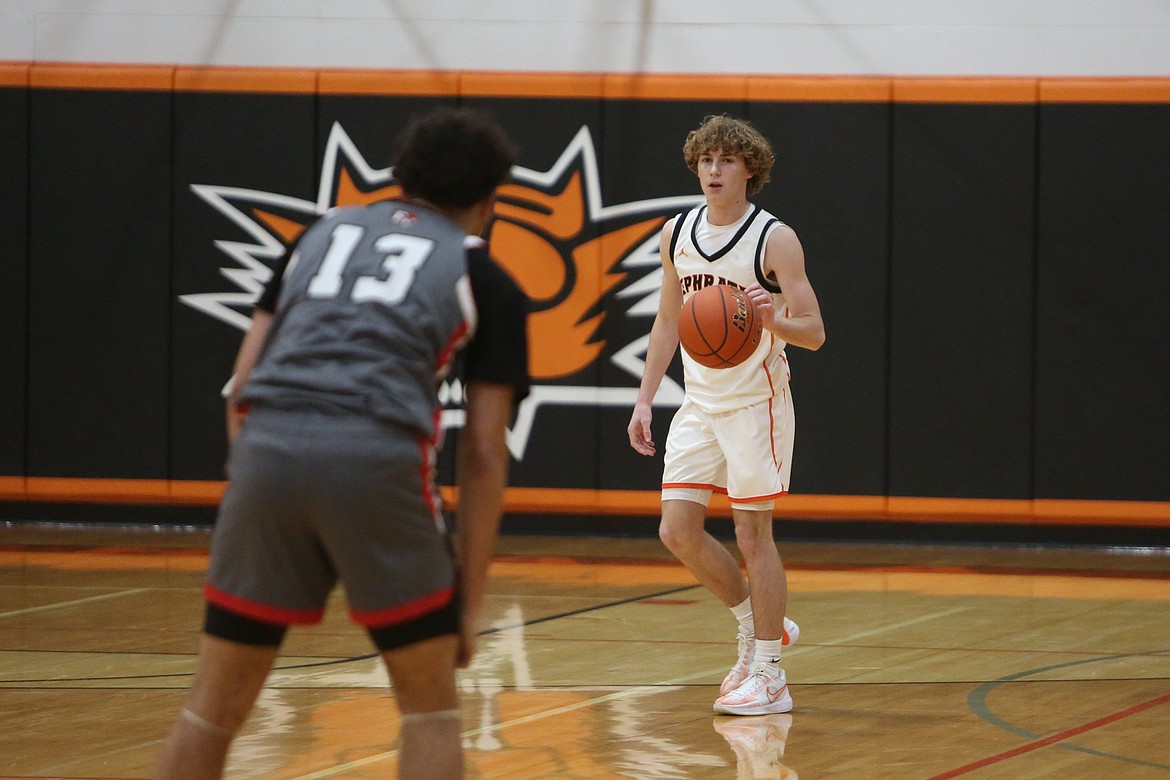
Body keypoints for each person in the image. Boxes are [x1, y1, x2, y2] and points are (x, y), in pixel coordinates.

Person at [154, 107, 530, 779]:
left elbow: (242, 384)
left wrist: (254, 487)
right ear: (489, 199)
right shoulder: (486, 276)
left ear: (401, 176)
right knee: (431, 712)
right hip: (374, 458)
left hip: (266, 448)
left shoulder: (319, 233)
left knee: (208, 711)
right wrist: (466, 606)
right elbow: (482, 454)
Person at [627, 114, 824, 717]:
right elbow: (668, 320)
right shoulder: (677, 233)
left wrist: (772, 321)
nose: (714, 170)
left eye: (727, 160)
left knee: (751, 533)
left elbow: (813, 332)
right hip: (699, 401)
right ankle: (758, 626)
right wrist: (644, 397)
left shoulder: (774, 238)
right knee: (676, 531)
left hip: (755, 404)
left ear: (749, 170)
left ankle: (769, 672)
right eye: (706, 160)